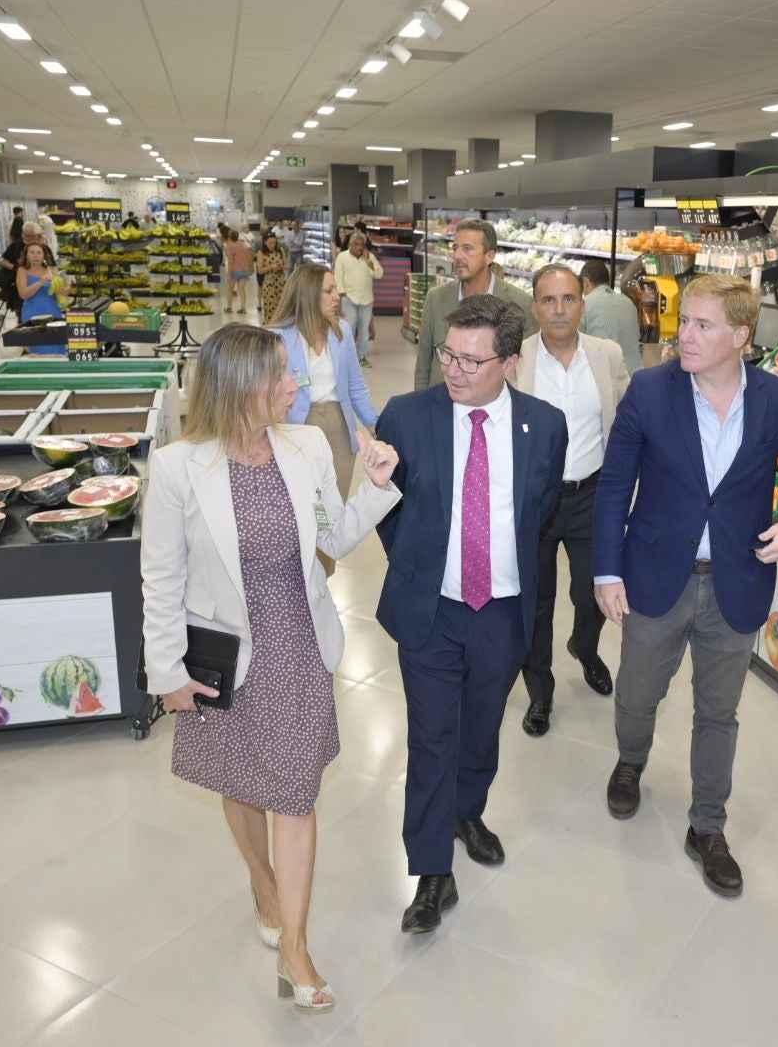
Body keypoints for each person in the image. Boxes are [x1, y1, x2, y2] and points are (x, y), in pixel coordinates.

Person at [141, 324, 401, 1015]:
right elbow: (160, 579)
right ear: (240, 388)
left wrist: (374, 490)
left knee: (294, 793)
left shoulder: (308, 446)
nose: (298, 386)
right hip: (225, 653)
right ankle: (261, 879)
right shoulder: (176, 468)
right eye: (282, 376)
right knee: (240, 776)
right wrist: (166, 671)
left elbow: (334, 537)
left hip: (296, 643)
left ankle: (295, 947)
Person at [592, 273, 778, 898]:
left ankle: (708, 827)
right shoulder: (648, 392)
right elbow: (616, 485)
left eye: (702, 326)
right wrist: (607, 570)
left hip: (737, 579)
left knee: (718, 713)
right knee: (638, 693)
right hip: (655, 574)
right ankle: (631, 758)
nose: (682, 337)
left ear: (741, 337)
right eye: (683, 323)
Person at [374, 294, 567, 935]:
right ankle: (432, 873)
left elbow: (538, 514)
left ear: (509, 363)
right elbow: (388, 509)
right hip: (432, 609)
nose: (453, 369)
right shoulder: (406, 416)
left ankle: (467, 811)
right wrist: (417, 564)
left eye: (471, 361)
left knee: (482, 727)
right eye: (447, 354)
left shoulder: (545, 425)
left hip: (504, 609)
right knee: (432, 737)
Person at [508, 265, 629, 737]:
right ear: (534, 307)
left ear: (583, 302)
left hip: (591, 494)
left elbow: (622, 420)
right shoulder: (516, 360)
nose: (559, 310)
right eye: (549, 300)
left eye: (569, 299)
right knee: (535, 602)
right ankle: (540, 691)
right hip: (534, 499)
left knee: (593, 591)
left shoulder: (606, 355)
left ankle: (585, 645)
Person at [267, 264, 378, 573]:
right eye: (328, 291)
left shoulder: (341, 332)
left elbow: (355, 385)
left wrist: (377, 426)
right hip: (296, 429)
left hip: (338, 431)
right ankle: (295, 574)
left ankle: (323, 577)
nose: (336, 296)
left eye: (335, 289)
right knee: (298, 507)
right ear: (307, 295)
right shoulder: (276, 337)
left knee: (330, 511)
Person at [414, 220, 535, 389]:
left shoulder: (520, 302)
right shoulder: (435, 298)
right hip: (443, 404)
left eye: (467, 249)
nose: (457, 256)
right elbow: (423, 365)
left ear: (490, 256)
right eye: (455, 248)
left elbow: (525, 369)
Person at [580, 259, 642, 373]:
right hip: (634, 376)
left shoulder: (585, 304)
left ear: (585, 282)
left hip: (603, 377)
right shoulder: (628, 303)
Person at [332, 232, 383, 368]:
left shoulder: (369, 257)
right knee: (348, 327)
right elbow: (337, 277)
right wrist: (340, 297)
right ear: (350, 245)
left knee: (364, 330)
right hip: (348, 297)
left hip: (366, 299)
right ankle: (345, 357)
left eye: (362, 244)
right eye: (356, 244)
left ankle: (361, 357)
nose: (359, 247)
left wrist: (369, 261)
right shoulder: (342, 257)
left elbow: (379, 274)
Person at [16, 243, 66, 356]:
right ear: (26, 255)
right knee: (39, 348)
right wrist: (40, 282)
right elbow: (23, 294)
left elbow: (62, 292)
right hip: (33, 314)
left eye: (38, 253)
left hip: (52, 311)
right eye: (32, 253)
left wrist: (56, 282)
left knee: (56, 347)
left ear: (44, 255)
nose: (35, 256)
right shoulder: (22, 271)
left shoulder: (51, 269)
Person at [254, 232, 287, 323]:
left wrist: (281, 267)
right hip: (269, 283)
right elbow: (260, 270)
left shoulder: (280, 251)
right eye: (270, 243)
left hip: (281, 282)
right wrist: (271, 267)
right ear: (265, 242)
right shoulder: (261, 253)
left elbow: (287, 265)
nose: (272, 245)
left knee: (282, 306)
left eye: (274, 242)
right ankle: (270, 327)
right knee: (270, 306)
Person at [223, 228, 251, 315]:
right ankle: (243, 308)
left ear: (229, 237)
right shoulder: (243, 245)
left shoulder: (229, 247)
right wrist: (249, 268)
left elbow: (231, 261)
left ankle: (229, 307)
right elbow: (248, 256)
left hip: (234, 270)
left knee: (230, 290)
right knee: (242, 290)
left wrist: (229, 273)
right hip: (244, 269)